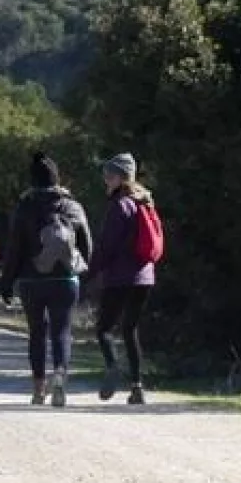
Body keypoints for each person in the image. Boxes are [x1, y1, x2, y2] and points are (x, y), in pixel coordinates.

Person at [0, 152, 92, 407]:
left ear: (33, 180)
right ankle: (60, 373)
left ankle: (39, 388)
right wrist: (86, 275)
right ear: (57, 178)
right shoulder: (73, 207)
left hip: (32, 281)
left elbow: (14, 250)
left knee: (37, 333)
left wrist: (6, 282)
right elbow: (87, 245)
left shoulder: (24, 207)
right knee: (62, 329)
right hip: (65, 279)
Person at [84, 153, 156, 406]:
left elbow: (107, 246)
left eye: (110, 176)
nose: (106, 181)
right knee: (130, 329)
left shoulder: (120, 205)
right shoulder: (145, 201)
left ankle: (112, 366)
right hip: (145, 277)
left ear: (122, 177)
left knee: (104, 328)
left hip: (121, 277)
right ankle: (137, 387)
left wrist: (90, 272)